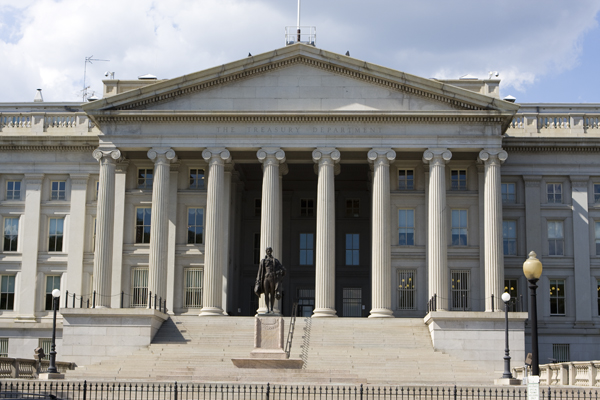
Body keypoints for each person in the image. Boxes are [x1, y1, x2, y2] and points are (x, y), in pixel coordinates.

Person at [254, 247, 286, 314]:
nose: (268, 252)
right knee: (266, 294)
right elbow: (259, 272)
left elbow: (283, 269)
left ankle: (271, 308)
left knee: (272, 293)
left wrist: (280, 272)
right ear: (266, 251)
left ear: (271, 251)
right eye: (267, 251)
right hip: (265, 278)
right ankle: (267, 308)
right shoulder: (263, 261)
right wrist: (257, 282)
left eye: (270, 251)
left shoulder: (275, 261)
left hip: (272, 278)